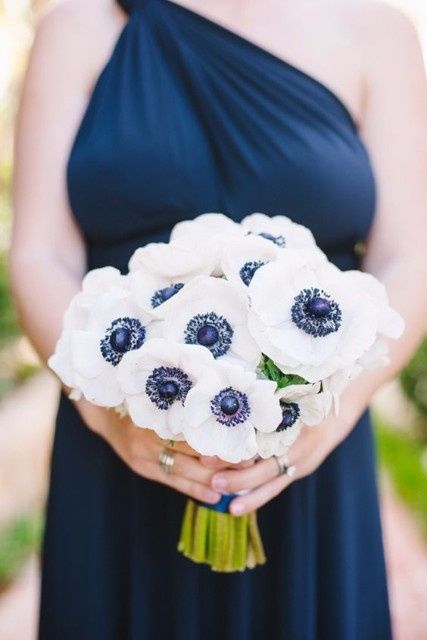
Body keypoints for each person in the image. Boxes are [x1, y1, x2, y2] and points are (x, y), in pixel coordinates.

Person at [10, 0, 427, 638]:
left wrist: (330, 412)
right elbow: (39, 253)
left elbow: (410, 255)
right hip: (120, 448)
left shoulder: (379, 32)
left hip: (312, 454)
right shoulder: (77, 27)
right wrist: (110, 418)